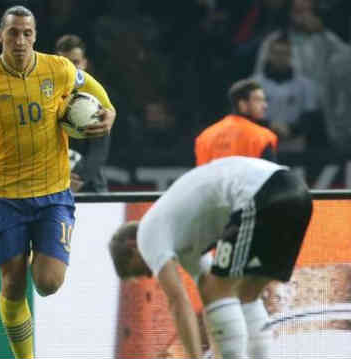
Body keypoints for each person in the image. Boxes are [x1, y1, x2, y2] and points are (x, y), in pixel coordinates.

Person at [0, 6, 115, 358]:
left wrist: (108, 111)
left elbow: (92, 87)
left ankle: (39, 244)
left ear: (35, 36)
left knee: (48, 283)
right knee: (13, 285)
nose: (20, 40)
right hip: (6, 197)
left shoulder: (59, 68)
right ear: (0, 35)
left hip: (53, 194)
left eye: (27, 33)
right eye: (13, 33)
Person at [109, 156, 313, 359]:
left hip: (260, 195)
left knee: (220, 291)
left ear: (131, 246)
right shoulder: (180, 235)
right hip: (297, 192)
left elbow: (178, 302)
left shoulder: (146, 234)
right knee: (246, 295)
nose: (149, 274)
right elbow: (210, 301)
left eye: (137, 270)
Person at [55, 34, 110, 193]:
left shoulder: (94, 101)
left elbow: (99, 150)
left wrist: (80, 178)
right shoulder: (45, 98)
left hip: (91, 190)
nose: (70, 69)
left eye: (75, 63)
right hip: (52, 187)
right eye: (64, 63)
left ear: (84, 64)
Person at [195, 79, 278, 166]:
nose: (265, 105)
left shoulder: (204, 137)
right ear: (243, 105)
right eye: (258, 100)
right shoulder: (262, 137)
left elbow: (201, 174)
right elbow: (271, 175)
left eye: (264, 100)